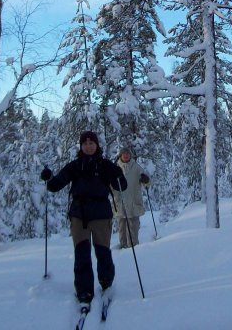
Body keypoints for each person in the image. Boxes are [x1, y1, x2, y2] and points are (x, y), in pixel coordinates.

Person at [40, 131, 127, 305]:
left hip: (101, 215)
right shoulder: (75, 166)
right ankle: (84, 290)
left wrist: (118, 174)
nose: (88, 146)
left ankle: (106, 283)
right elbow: (55, 186)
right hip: (79, 216)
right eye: (85, 143)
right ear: (81, 146)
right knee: (82, 254)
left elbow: (121, 186)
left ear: (97, 145)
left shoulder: (105, 165)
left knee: (103, 252)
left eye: (91, 143)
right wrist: (48, 178)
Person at [112, 147, 150, 249]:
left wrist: (146, 180)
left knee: (133, 229)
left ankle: (134, 248)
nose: (126, 155)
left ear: (130, 155)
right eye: (123, 154)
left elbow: (147, 183)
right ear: (120, 155)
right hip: (120, 204)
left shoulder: (137, 168)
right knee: (122, 230)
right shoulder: (115, 168)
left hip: (134, 204)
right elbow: (109, 185)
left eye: (127, 153)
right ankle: (123, 249)